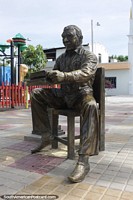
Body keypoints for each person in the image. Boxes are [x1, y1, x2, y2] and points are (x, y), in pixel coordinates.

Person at [30, 25, 99, 183]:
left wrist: (64, 76)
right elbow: (56, 77)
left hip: (81, 96)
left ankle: (83, 161)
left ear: (80, 39)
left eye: (69, 36)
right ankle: (46, 136)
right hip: (62, 97)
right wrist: (47, 76)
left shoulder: (89, 56)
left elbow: (85, 73)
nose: (65, 39)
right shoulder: (61, 58)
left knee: (91, 106)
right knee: (37, 94)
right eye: (63, 37)